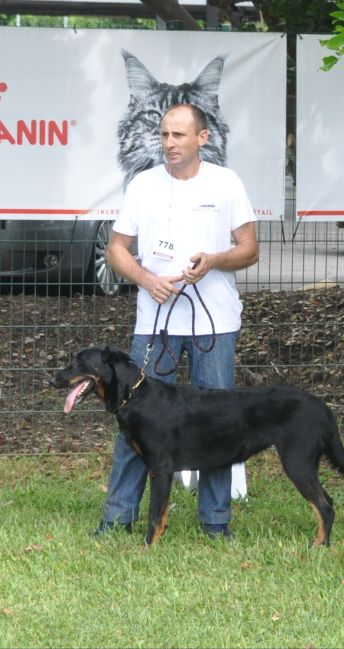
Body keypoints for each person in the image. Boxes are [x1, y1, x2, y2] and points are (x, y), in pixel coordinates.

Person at [94, 103, 259, 539]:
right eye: (165, 135)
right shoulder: (143, 185)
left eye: (179, 135)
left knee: (221, 424)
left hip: (215, 323)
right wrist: (148, 279)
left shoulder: (226, 183)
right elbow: (117, 250)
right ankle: (116, 519)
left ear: (202, 138)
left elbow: (249, 249)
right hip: (155, 324)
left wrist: (215, 260)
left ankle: (216, 523)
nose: (169, 144)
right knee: (134, 420)